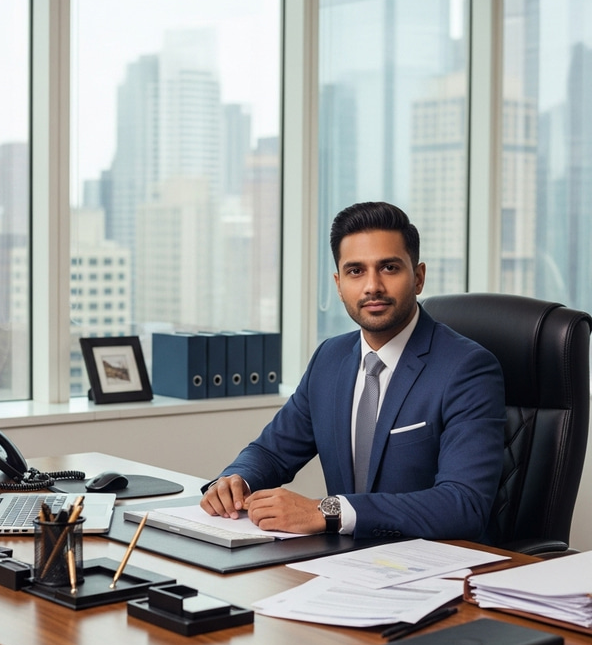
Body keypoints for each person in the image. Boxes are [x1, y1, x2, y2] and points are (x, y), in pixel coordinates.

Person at [200, 201, 506, 541]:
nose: (372, 286)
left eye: (389, 268)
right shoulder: (330, 358)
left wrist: (327, 511)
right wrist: (237, 479)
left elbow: (464, 505)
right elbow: (272, 452)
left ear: (418, 277)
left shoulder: (467, 369)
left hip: (437, 567)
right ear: (339, 282)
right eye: (356, 271)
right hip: (346, 562)